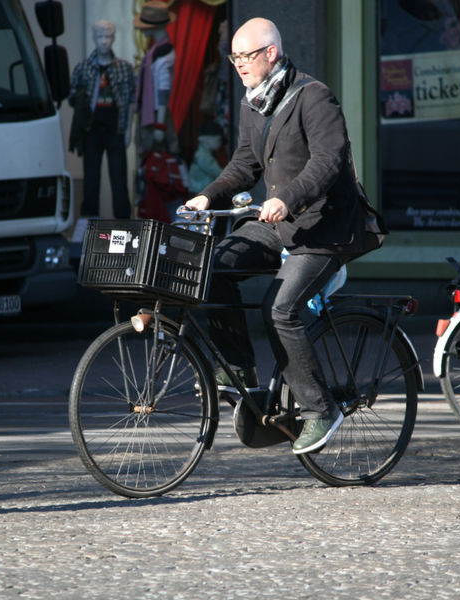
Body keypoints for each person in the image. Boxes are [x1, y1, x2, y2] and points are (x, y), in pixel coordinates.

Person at [184, 18, 382, 454]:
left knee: (280, 309)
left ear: (270, 53)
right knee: (213, 266)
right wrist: (206, 195)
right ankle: (239, 372)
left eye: (245, 57)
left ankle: (319, 410)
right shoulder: (252, 104)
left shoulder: (314, 97)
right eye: (233, 58)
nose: (238, 65)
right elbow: (244, 166)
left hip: (326, 229)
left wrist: (288, 198)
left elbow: (329, 162)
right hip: (282, 223)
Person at [68, 20, 135, 218]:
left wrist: (129, 129)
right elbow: (72, 96)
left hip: (115, 127)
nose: (104, 41)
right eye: (100, 37)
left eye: (108, 36)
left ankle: (124, 225)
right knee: (91, 180)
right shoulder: (83, 67)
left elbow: (131, 100)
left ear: (113, 38)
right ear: (94, 38)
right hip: (92, 128)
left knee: (119, 179)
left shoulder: (124, 68)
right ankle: (89, 225)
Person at [133, 1, 179, 155]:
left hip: (155, 116)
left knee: (156, 164)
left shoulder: (163, 54)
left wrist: (160, 125)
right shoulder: (156, 51)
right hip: (151, 114)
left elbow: (163, 92)